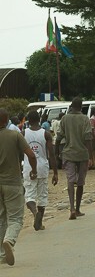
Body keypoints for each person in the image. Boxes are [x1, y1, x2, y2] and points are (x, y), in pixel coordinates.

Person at [0, 108, 38, 266]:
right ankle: (9, 240)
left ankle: (2, 254)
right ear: (7, 119)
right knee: (15, 218)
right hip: (13, 182)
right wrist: (34, 171)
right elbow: (30, 154)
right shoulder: (14, 135)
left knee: (1, 218)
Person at [54, 97, 93, 220]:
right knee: (80, 182)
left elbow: (59, 137)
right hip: (82, 154)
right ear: (81, 107)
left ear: (71, 106)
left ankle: (71, 208)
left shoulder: (65, 119)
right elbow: (88, 138)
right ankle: (77, 209)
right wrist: (90, 156)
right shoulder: (85, 119)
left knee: (70, 180)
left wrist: (56, 152)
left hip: (68, 153)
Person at [22, 111, 58, 231]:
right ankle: (40, 222)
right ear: (39, 120)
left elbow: (18, 153)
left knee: (29, 195)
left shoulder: (23, 133)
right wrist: (56, 173)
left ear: (28, 120)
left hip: (28, 167)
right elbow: (52, 155)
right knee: (42, 195)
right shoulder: (46, 134)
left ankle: (34, 212)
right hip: (42, 167)